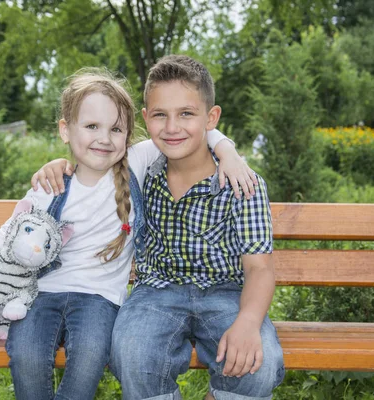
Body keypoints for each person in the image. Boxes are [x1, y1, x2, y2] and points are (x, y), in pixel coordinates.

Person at [0, 68, 255, 400]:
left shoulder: (135, 162)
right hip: (41, 294)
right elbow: (5, 241)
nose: (104, 138)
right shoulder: (51, 186)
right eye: (91, 126)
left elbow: (201, 131)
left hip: (100, 299)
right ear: (65, 129)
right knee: (27, 354)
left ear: (128, 134)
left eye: (116, 129)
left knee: (90, 355)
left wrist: (229, 153)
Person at [39, 56, 285, 400]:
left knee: (259, 364)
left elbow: (260, 269)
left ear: (210, 118)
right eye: (160, 115)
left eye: (186, 114)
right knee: (133, 353)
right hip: (156, 291)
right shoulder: (138, 168)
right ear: (145, 119)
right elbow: (90, 161)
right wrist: (59, 164)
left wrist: (247, 322)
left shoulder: (240, 182)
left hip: (226, 292)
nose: (172, 127)